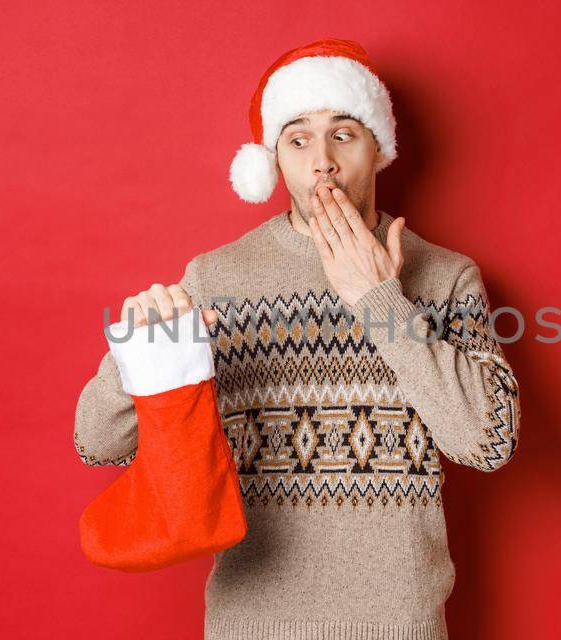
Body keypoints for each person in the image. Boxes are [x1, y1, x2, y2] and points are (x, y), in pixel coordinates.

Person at [74, 37, 521, 640]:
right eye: (299, 138)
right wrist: (137, 359)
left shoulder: (444, 277)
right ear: (274, 160)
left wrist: (380, 301)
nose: (323, 162)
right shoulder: (217, 278)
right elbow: (96, 443)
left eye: (343, 133)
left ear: (378, 148)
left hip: (398, 623)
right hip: (251, 621)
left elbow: (488, 442)